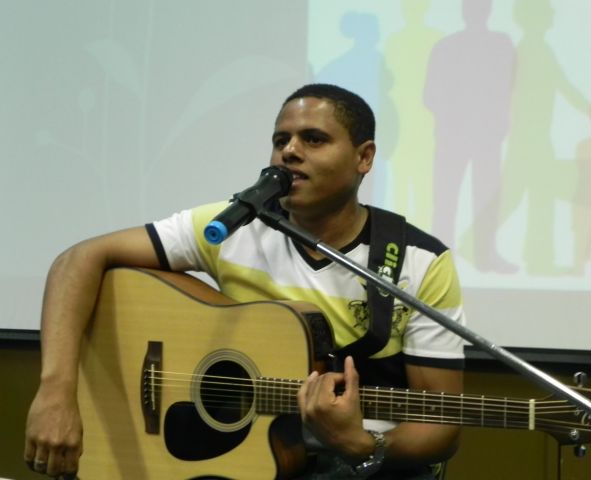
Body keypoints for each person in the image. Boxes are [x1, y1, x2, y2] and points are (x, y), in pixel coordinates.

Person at [24, 84, 466, 479]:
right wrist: (56, 393)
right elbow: (78, 260)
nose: (290, 151)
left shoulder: (419, 261)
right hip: (241, 455)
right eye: (281, 140)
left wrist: (363, 445)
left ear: (363, 157)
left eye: (313, 139)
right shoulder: (233, 227)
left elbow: (440, 424)